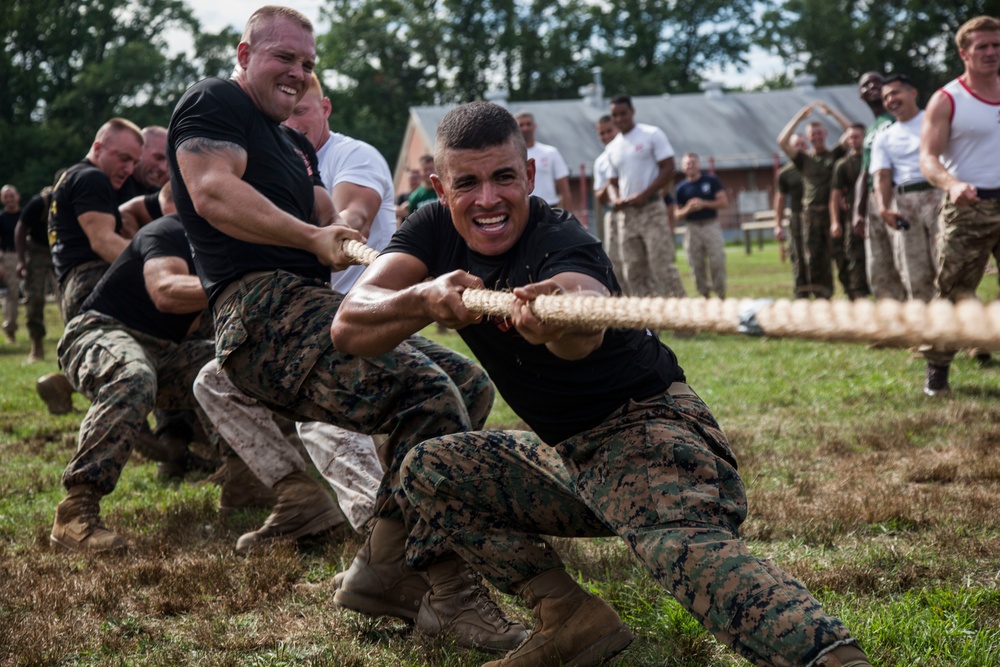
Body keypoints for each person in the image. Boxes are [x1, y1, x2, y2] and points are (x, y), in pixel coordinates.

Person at [332, 100, 873, 667]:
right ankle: (569, 617)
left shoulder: (562, 239)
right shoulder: (432, 231)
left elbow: (584, 321)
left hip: (652, 431)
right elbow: (349, 325)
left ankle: (830, 656)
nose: (488, 199)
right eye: (467, 183)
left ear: (531, 176)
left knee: (678, 549)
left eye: (504, 178)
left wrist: (557, 318)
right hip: (571, 457)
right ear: (441, 189)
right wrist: (421, 297)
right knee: (431, 467)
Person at [167, 6, 524, 651]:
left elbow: (338, 218)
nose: (299, 74)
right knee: (427, 395)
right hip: (257, 310)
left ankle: (382, 567)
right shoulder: (215, 101)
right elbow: (212, 191)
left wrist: (372, 242)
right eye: (285, 58)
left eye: (308, 64)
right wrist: (313, 235)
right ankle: (450, 593)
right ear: (244, 54)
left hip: (307, 302)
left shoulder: (296, 145)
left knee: (465, 383)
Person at [192, 71, 393, 548]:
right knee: (214, 382)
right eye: (286, 109)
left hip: (361, 315)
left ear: (324, 109)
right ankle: (298, 497)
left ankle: (383, 540)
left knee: (316, 397)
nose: (293, 117)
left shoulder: (352, 155)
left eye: (304, 108)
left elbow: (351, 216)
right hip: (305, 317)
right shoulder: (277, 157)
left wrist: (332, 231)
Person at [48, 215, 218, 553]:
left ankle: (244, 480)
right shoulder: (169, 231)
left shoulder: (230, 248)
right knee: (133, 375)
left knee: (240, 362)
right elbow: (165, 292)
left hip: (167, 352)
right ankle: (75, 511)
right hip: (101, 331)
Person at [918, 15, 1000, 396]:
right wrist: (952, 184)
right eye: (982, 46)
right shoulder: (948, 99)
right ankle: (938, 371)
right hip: (970, 207)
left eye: (996, 45)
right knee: (954, 290)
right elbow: (928, 158)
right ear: (963, 52)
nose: (991, 52)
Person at [606, 94, 686, 299]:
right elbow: (612, 182)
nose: (620, 118)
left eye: (623, 113)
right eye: (615, 115)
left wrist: (645, 194)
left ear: (632, 112)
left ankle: (685, 322)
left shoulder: (651, 134)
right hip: (627, 215)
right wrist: (615, 198)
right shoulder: (613, 146)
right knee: (633, 270)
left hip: (651, 209)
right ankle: (650, 325)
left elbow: (668, 166)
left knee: (661, 265)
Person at [870, 74, 941, 303]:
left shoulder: (935, 120)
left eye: (895, 93)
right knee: (913, 270)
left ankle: (959, 327)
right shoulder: (884, 137)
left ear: (913, 93)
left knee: (948, 263)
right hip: (905, 203)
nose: (891, 100)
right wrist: (883, 208)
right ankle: (927, 333)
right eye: (886, 97)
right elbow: (881, 175)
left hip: (938, 195)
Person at [778, 101, 853, 298]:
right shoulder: (803, 160)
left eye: (820, 133)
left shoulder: (834, 154)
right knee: (815, 260)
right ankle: (823, 298)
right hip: (810, 216)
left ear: (825, 134)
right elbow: (782, 141)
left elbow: (851, 131)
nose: (817, 137)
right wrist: (799, 118)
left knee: (842, 255)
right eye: (813, 134)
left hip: (833, 214)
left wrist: (833, 113)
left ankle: (853, 295)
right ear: (808, 138)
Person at [853, 72, 907, 301]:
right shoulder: (872, 129)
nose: (871, 87)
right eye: (865, 85)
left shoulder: (896, 119)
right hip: (874, 202)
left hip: (895, 196)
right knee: (879, 266)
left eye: (877, 82)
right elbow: (865, 172)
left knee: (904, 262)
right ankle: (892, 325)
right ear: (860, 94)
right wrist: (858, 210)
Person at [15, 179, 59, 362]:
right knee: (35, 298)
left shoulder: (77, 200)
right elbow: (20, 229)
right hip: (37, 252)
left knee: (73, 298)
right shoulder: (40, 203)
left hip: (61, 251)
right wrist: (21, 261)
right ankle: (37, 346)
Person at [675, 152, 728, 298]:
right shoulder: (681, 188)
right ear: (682, 167)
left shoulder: (711, 181)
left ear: (698, 164)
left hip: (710, 225)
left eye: (693, 162)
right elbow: (677, 214)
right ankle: (704, 295)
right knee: (695, 264)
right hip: (692, 227)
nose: (690, 165)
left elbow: (724, 202)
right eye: (687, 163)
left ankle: (720, 294)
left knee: (717, 260)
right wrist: (688, 209)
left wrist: (704, 203)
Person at [829, 123, 871, 300]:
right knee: (853, 259)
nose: (853, 140)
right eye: (850, 137)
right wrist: (835, 221)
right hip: (853, 219)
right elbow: (834, 196)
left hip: (875, 215)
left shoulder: (875, 158)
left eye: (857, 136)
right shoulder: (842, 165)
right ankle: (857, 298)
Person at [515, 111, 575, 216]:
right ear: (516, 128)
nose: (525, 128)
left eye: (528, 124)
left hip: (549, 210)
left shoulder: (550, 152)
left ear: (534, 125)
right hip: (522, 212)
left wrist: (569, 219)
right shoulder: (511, 155)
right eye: (521, 125)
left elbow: (565, 189)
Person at [774, 134, 809, 298]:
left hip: (819, 215)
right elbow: (780, 199)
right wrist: (778, 224)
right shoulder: (785, 172)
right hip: (797, 218)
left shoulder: (816, 165)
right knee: (797, 256)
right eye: (796, 145)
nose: (800, 148)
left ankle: (822, 291)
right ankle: (801, 292)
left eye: (802, 144)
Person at [592, 115, 625, 290]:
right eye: (601, 133)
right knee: (617, 263)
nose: (606, 136)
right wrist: (610, 182)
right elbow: (600, 197)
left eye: (609, 131)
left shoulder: (630, 150)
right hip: (613, 213)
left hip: (637, 209)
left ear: (617, 128)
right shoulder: (601, 162)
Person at [0, 184, 22, 343]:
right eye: (6, 197)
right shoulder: (1, 218)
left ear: (18, 197)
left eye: (11, 196)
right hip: (8, 257)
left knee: (35, 295)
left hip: (29, 255)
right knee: (11, 295)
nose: (9, 199)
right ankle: (10, 331)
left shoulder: (25, 216)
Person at [396, 154, 438, 221]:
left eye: (431, 169)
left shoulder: (444, 190)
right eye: (425, 170)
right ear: (420, 171)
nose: (429, 173)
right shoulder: (415, 197)